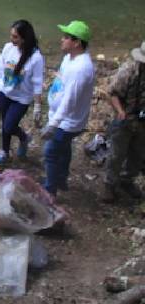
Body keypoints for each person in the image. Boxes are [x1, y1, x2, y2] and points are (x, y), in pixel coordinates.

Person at [41, 20, 95, 197]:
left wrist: (53, 124)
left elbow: (70, 101)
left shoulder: (81, 68)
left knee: (50, 152)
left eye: (66, 37)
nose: (61, 40)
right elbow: (64, 83)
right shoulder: (69, 58)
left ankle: (50, 190)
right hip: (62, 117)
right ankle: (61, 179)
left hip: (67, 121)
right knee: (63, 149)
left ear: (77, 42)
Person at [0, 20, 45, 166]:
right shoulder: (8, 48)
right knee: (5, 125)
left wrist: (37, 106)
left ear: (24, 38)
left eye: (15, 37)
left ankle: (24, 138)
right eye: (11, 35)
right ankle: (4, 152)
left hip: (21, 99)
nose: (11, 39)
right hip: (3, 92)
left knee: (9, 126)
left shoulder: (36, 58)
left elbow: (37, 83)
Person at [101, 41, 145, 203]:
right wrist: (120, 111)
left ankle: (127, 181)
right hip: (125, 118)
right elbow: (112, 93)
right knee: (116, 154)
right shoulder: (128, 71)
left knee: (138, 154)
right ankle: (109, 185)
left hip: (142, 121)